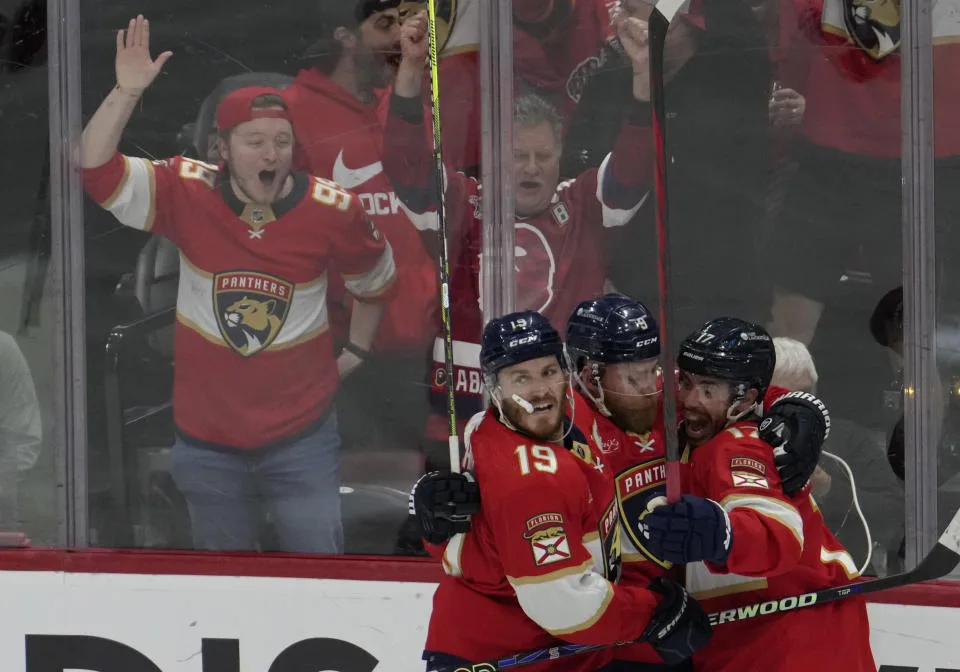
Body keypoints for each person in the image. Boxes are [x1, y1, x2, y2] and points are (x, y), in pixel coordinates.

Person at [80, 15, 397, 554]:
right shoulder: (186, 191)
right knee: (225, 589)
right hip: (209, 446)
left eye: (281, 141)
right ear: (220, 150)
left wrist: (357, 351)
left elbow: (375, 280)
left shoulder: (333, 209)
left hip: (302, 441)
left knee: (321, 579)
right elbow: (95, 170)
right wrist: (126, 91)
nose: (271, 155)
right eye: (253, 142)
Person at [418, 310, 712, 671]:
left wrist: (785, 402)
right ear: (495, 390)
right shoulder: (529, 477)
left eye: (548, 372)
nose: (539, 389)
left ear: (566, 374)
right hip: (499, 655)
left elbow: (698, 388)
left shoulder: (560, 414)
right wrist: (653, 614)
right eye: (520, 378)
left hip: (559, 651)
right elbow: (562, 603)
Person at [638, 317, 875, 672]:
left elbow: (773, 530)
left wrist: (722, 533)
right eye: (685, 382)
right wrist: (796, 401)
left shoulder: (735, 445)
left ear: (745, 398)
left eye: (707, 389)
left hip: (796, 630)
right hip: (762, 626)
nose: (688, 399)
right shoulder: (701, 420)